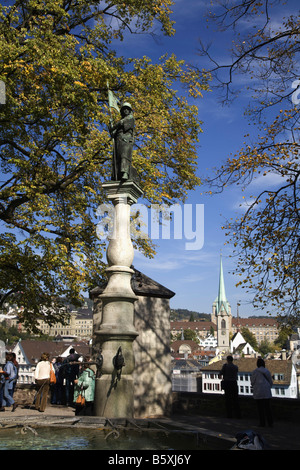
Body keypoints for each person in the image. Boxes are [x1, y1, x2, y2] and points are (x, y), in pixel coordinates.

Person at [109, 102, 135, 181]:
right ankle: (117, 174)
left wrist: (114, 126)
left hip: (126, 139)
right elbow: (113, 133)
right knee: (118, 157)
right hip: (118, 140)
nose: (125, 111)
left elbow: (122, 123)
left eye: (127, 109)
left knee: (124, 155)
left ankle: (125, 173)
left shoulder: (130, 118)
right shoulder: (121, 121)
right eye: (124, 109)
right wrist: (110, 126)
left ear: (130, 111)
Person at [251, 358, 273, 427]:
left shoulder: (255, 372)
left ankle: (262, 423)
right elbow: (270, 381)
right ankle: (270, 423)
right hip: (266, 391)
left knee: (260, 409)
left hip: (258, 392)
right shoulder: (267, 371)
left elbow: (252, 382)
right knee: (268, 408)